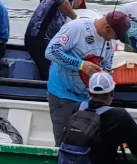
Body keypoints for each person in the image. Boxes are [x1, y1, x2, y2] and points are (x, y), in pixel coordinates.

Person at [44, 9, 130, 145]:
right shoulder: (76, 28)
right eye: (115, 35)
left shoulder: (110, 42)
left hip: (88, 99)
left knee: (89, 140)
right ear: (107, 27)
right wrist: (80, 65)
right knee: (64, 141)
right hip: (63, 94)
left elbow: (107, 66)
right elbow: (51, 51)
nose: (115, 39)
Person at [23, 0, 87, 80]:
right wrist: (76, 18)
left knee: (52, 68)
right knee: (50, 71)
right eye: (80, 4)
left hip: (42, 39)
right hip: (38, 37)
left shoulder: (65, 9)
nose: (76, 8)